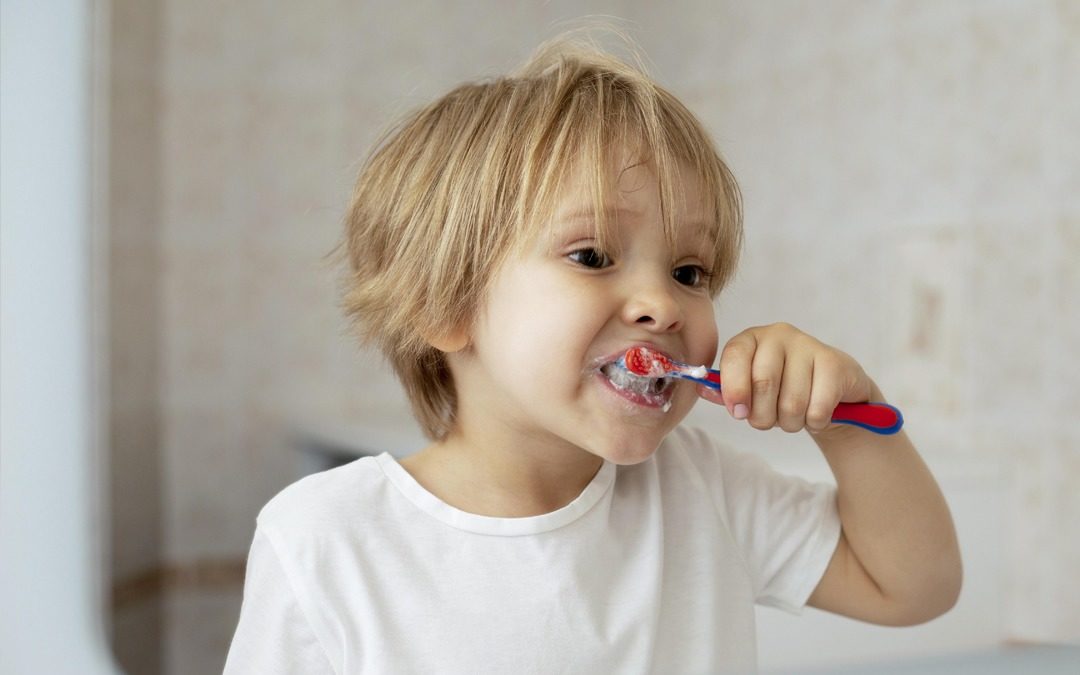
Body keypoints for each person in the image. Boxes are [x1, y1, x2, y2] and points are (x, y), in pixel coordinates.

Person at [224, 34, 961, 674]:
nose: (663, 305)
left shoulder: (706, 493)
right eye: (592, 254)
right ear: (444, 305)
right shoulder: (328, 540)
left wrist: (842, 412)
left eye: (689, 272)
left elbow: (914, 586)